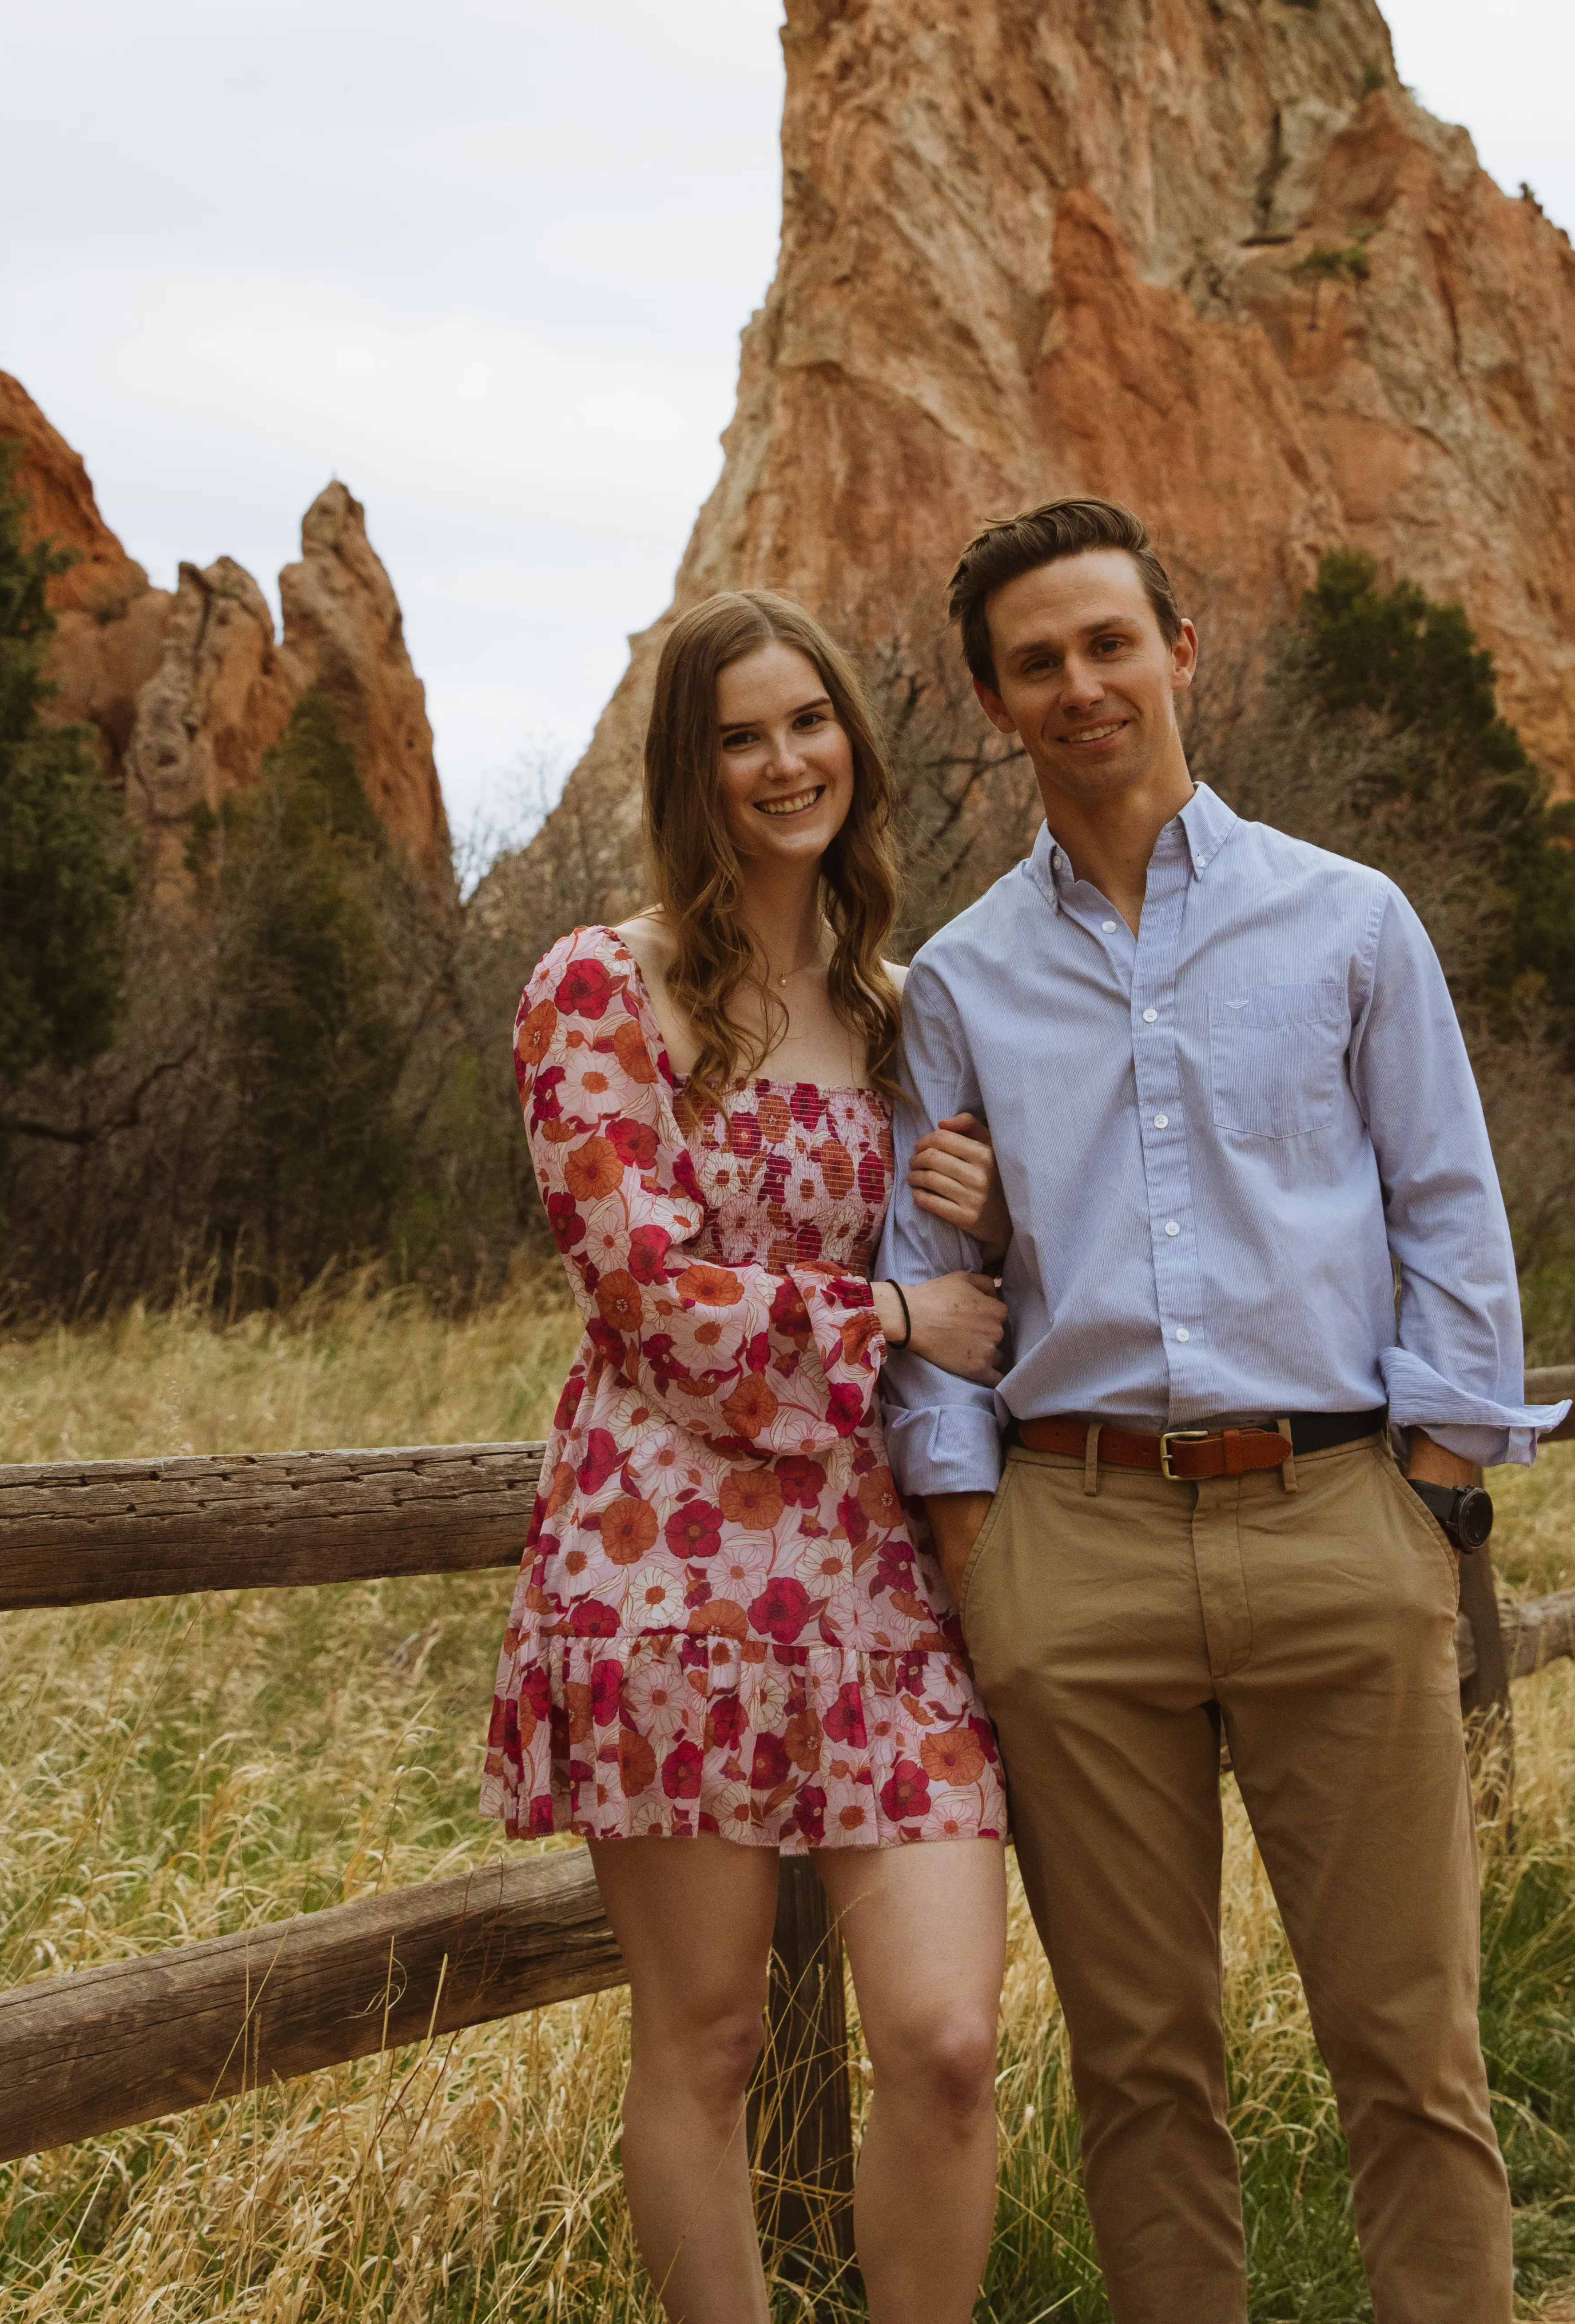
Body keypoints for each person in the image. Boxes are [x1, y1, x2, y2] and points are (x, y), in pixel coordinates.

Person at [877, 498, 1570, 2324]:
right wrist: (973, 1531)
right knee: (1139, 2070)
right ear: (994, 702)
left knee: (1408, 2052)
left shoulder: (1346, 921)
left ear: (1179, 654)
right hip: (1072, 1548)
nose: (1081, 683)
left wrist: (1430, 1489)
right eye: (1037, 662)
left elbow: (1446, 1209)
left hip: (1337, 1522)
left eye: (1109, 642)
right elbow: (926, 1291)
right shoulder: (954, 981)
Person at [482, 589, 1014, 2324]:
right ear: (688, 769)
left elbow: (966, 1280)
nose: (786, 760)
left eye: (810, 722)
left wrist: (978, 1224)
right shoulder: (599, 986)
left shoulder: (890, 1003)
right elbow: (644, 1294)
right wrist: (886, 1323)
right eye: (740, 734)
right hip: (665, 1561)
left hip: (868, 1571)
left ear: (852, 743)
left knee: (943, 2040)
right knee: (704, 2040)